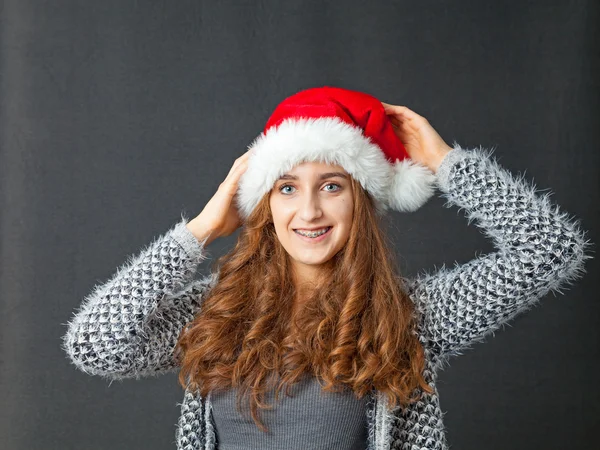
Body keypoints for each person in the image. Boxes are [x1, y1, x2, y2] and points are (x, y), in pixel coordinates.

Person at [62, 86, 592, 450]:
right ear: (265, 203)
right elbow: (96, 345)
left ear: (360, 199)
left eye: (332, 186)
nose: (309, 210)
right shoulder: (217, 312)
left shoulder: (409, 316)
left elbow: (548, 250)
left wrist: (447, 163)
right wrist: (198, 231)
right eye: (287, 187)